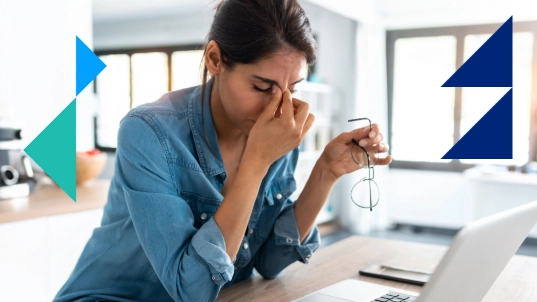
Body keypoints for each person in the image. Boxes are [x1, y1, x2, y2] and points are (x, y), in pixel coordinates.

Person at [53, 0, 391, 301]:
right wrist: (256, 161)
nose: (280, 106)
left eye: (293, 87)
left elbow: (270, 262)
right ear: (215, 59)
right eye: (262, 86)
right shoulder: (148, 131)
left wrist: (325, 172)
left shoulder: (274, 130)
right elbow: (193, 289)